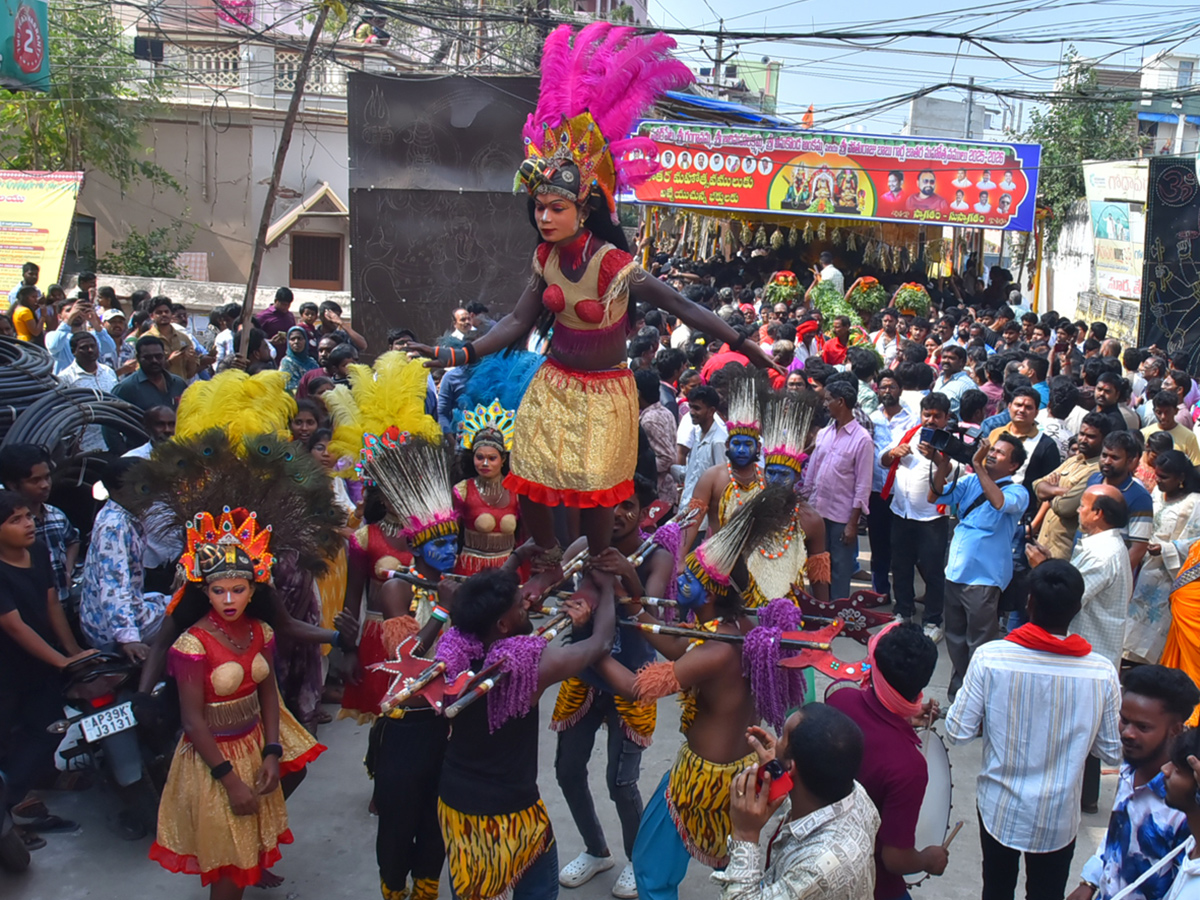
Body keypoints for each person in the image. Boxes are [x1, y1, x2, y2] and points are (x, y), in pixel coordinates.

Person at [600, 487, 803, 900]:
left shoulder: (716, 651)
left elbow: (637, 688)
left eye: (687, 579)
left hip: (700, 782)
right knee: (735, 867)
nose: (679, 582)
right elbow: (680, 648)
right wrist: (634, 608)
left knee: (651, 870)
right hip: (739, 775)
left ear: (708, 592)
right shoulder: (737, 628)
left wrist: (589, 651)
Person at [147, 506, 326, 898]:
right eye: (218, 590)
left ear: (254, 589)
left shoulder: (261, 631)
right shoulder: (192, 644)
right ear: (204, 591)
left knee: (246, 851)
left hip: (253, 747)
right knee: (228, 874)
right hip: (213, 762)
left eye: (239, 589)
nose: (229, 599)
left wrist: (272, 753)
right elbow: (193, 722)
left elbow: (269, 695)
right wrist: (230, 782)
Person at [434, 563, 615, 900]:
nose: (527, 606)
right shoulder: (531, 668)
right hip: (513, 813)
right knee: (536, 886)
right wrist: (605, 590)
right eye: (520, 606)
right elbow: (601, 643)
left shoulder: (451, 650)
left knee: (472, 889)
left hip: (456, 804)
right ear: (502, 625)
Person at [946, 560, 1122, 900]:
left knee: (996, 889)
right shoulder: (1100, 672)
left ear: (1029, 603)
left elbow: (957, 732)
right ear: (1077, 608)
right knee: (1047, 893)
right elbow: (1111, 751)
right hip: (1058, 815)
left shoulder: (990, 658)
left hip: (1000, 806)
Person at [552, 476, 669, 897]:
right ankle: (596, 850)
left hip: (631, 681)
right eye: (609, 506)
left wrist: (628, 576)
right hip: (584, 679)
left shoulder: (656, 555)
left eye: (628, 506)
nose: (617, 514)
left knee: (621, 783)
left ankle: (638, 861)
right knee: (567, 771)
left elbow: (653, 616)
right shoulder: (580, 550)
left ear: (643, 511)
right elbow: (560, 594)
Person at [827, 622, 949, 896]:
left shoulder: (839, 699)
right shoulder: (909, 766)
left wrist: (904, 717)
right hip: (869, 882)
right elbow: (894, 859)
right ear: (922, 683)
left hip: (819, 855)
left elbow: (870, 717)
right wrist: (928, 859)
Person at [0, 491, 92, 852]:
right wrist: (60, 661)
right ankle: (11, 813)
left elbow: (52, 604)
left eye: (28, 516)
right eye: (16, 520)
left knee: (49, 728)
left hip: (39, 665)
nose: (28, 524)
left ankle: (13, 801)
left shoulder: (37, 551)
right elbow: (14, 625)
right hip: (7, 671)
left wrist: (73, 653)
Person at [713, 704, 879, 900]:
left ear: (791, 767)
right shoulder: (856, 794)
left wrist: (745, 834)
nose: (776, 742)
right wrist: (778, 772)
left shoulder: (817, 867)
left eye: (782, 737)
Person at [1068, 665, 1198, 900]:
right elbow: (1117, 833)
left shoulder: (1183, 803)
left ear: (1176, 730)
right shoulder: (1131, 765)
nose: (1127, 733)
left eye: (1142, 727)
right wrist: (1090, 880)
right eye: (1124, 720)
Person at [930, 435, 1027, 698]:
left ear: (1013, 466)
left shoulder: (1017, 492)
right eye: (991, 449)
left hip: (984, 579)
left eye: (1000, 453)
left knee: (981, 643)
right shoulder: (971, 481)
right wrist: (941, 464)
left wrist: (978, 465)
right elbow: (934, 496)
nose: (992, 454)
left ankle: (979, 699)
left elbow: (999, 502)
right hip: (956, 572)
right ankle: (959, 695)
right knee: (955, 639)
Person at [881, 392, 955, 642]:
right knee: (900, 566)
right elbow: (882, 461)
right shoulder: (909, 434)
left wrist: (937, 459)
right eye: (927, 415)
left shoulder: (951, 444)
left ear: (946, 418)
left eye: (937, 416)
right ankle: (903, 612)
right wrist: (893, 453)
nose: (931, 420)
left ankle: (933, 621)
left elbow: (951, 479)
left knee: (933, 570)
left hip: (932, 518)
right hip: (901, 513)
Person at [78, 459, 169, 659]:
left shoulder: (119, 515)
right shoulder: (115, 527)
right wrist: (128, 638)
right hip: (109, 629)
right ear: (117, 492)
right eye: (143, 488)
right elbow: (114, 584)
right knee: (186, 610)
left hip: (108, 615)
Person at [1127, 451, 1200, 665]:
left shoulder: (1195, 503)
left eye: (1164, 477)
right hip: (1144, 565)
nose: (1158, 481)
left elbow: (1196, 541)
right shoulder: (1157, 495)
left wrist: (1167, 549)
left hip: (1170, 572)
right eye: (1157, 475)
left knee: (1158, 623)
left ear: (1181, 478)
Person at [803, 379, 873, 602]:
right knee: (817, 566)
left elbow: (863, 485)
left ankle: (838, 612)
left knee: (840, 569)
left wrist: (853, 523)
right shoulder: (824, 433)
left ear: (841, 402)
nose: (825, 405)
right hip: (817, 513)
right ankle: (819, 609)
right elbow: (812, 472)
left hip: (842, 517)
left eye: (828, 400)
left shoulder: (862, 440)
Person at [682, 374, 764, 548]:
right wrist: (681, 557)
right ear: (728, 445)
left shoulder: (765, 479)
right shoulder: (713, 477)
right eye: (736, 444)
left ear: (758, 447)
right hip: (714, 550)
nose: (741, 450)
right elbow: (693, 519)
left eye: (748, 445)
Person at [0, 445, 80, 606]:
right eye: (35, 480)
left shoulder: (56, 515)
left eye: (47, 477)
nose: (45, 485)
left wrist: (68, 569)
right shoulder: (8, 530)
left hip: (64, 602)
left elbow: (73, 540)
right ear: (13, 485)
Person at [452, 400, 523, 576]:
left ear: (503, 460)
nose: (485, 463)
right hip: (470, 570)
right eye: (479, 457)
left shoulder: (516, 492)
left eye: (492, 458)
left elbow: (525, 537)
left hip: (508, 571)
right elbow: (452, 536)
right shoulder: (462, 490)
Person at [1031, 414, 1110, 560]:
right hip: (1042, 545)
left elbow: (1065, 508)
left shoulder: (1098, 471)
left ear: (1104, 440)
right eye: (1082, 434)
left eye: (1091, 436)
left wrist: (1050, 493)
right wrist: (1060, 491)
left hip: (1063, 552)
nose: (1083, 439)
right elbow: (1037, 485)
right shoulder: (1072, 461)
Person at [1087, 430, 1154, 572]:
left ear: (1129, 461)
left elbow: (1138, 548)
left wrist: (1116, 576)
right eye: (1104, 455)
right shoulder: (1093, 480)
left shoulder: (1139, 497)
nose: (1107, 461)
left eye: (1114, 457)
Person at [676, 385, 728, 532]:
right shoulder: (698, 433)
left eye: (697, 408)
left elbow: (722, 486)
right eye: (691, 407)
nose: (692, 412)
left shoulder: (719, 441)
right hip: (687, 512)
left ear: (711, 411)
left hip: (704, 523)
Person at [58, 331, 119, 453]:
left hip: (113, 441)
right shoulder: (65, 378)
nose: (90, 350)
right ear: (73, 351)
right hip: (86, 446)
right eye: (84, 348)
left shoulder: (108, 372)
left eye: (93, 346)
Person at [636, 368, 681, 512]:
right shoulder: (665, 412)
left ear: (638, 393)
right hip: (666, 491)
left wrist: (640, 467)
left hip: (658, 494)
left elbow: (667, 458)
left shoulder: (649, 420)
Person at [112, 336, 189, 412]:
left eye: (158, 356)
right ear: (138, 358)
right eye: (148, 357)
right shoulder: (126, 388)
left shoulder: (178, 384)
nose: (154, 361)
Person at [44, 296, 116, 375]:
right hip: (66, 381)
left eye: (80, 310)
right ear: (60, 317)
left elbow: (109, 348)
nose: (76, 313)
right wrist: (70, 318)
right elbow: (54, 346)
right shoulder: (52, 335)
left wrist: (95, 323)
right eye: (69, 310)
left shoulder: (91, 336)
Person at [144, 295, 198, 381]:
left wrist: (191, 360)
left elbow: (190, 374)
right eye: (159, 312)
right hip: (156, 387)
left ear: (171, 314)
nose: (164, 314)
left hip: (179, 387)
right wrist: (169, 362)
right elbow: (143, 371)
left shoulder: (183, 338)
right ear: (152, 316)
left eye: (166, 311)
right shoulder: (146, 339)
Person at [1145, 390, 1200, 466]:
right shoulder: (1145, 433)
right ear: (1154, 411)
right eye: (1159, 412)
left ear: (1176, 411)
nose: (1163, 417)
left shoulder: (1189, 437)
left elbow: (1196, 466)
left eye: (1167, 412)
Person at [933, 345, 974, 416]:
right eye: (944, 357)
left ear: (962, 362)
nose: (946, 361)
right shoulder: (939, 379)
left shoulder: (967, 385)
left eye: (951, 358)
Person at [278, 326, 319, 392]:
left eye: (299, 339)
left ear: (305, 341)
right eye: (292, 339)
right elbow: (288, 386)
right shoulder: (287, 362)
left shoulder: (312, 362)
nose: (296, 342)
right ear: (288, 342)